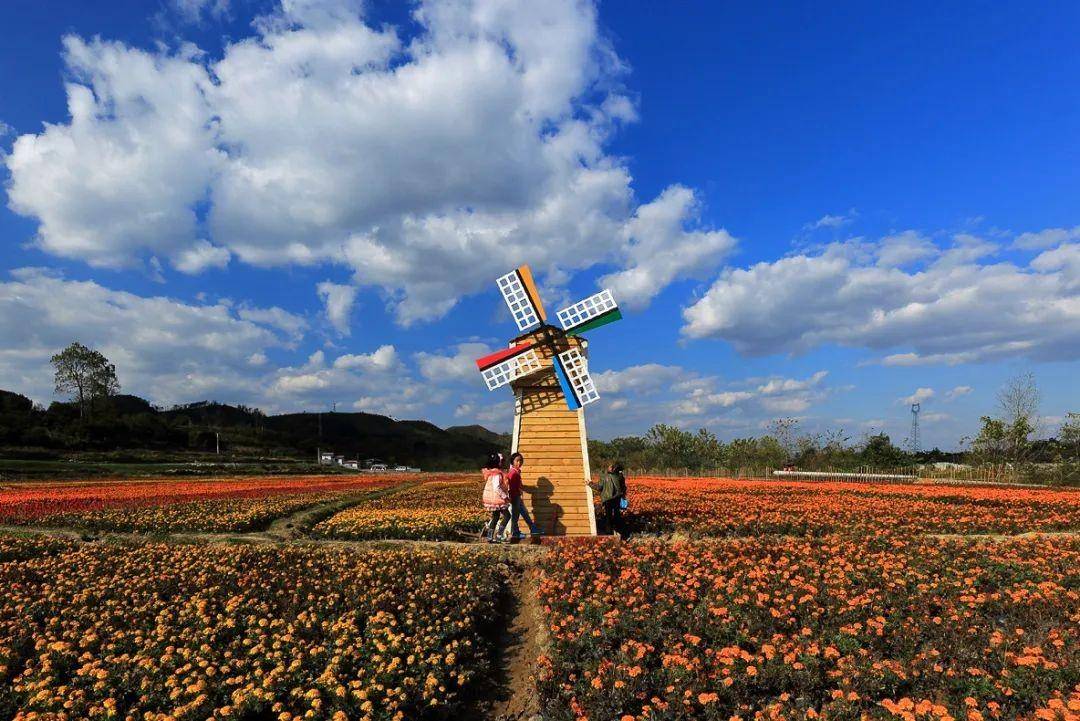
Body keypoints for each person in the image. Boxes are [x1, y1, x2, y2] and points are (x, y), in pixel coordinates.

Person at [506, 452, 541, 541]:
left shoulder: (517, 472)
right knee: (516, 515)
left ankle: (533, 529)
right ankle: (516, 532)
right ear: (512, 462)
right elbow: (511, 486)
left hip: (517, 497)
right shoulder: (513, 473)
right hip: (515, 497)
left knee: (524, 513)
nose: (519, 463)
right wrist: (513, 497)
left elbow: (520, 485)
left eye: (521, 461)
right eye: (517, 461)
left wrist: (529, 489)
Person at [480, 452, 511, 543]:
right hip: (497, 499)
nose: (503, 463)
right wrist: (505, 497)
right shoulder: (497, 474)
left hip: (492, 498)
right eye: (501, 461)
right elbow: (496, 487)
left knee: (495, 517)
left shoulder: (491, 472)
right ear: (498, 462)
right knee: (507, 515)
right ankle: (499, 535)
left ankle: (490, 537)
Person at [593, 462, 627, 537]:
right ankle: (618, 530)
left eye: (610, 467)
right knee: (617, 514)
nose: (608, 468)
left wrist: (590, 484)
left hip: (607, 499)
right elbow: (623, 488)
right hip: (617, 498)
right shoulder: (620, 477)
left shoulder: (604, 477)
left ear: (611, 469)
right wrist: (623, 496)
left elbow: (599, 488)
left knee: (608, 516)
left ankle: (609, 532)